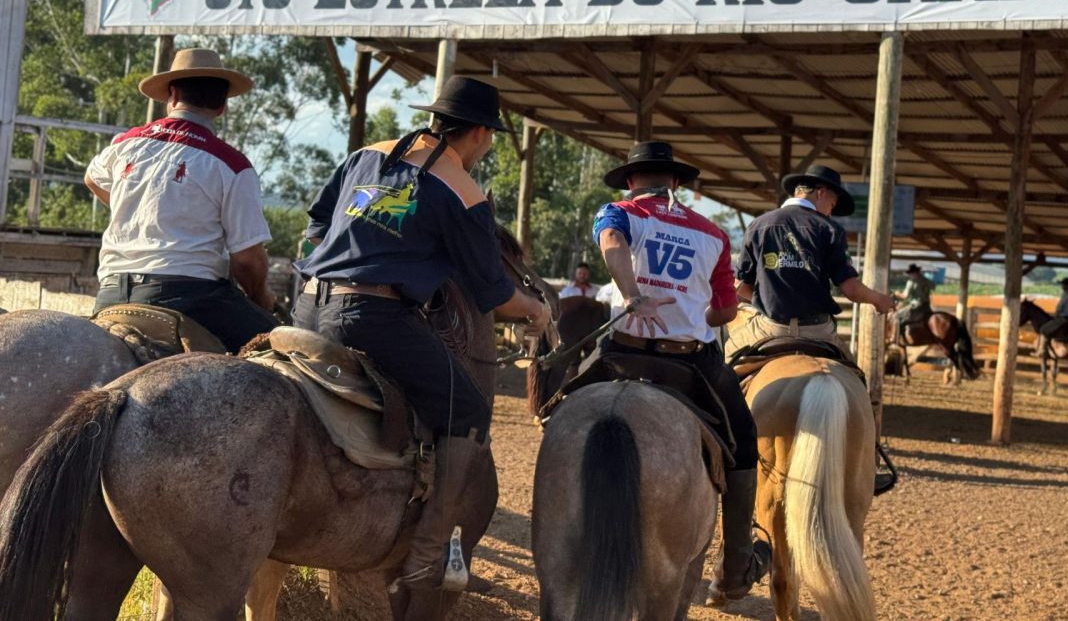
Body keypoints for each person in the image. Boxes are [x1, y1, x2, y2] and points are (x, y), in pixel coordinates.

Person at [297, 76, 550, 592]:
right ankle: (427, 554)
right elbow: (494, 295)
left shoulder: (367, 153)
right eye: (492, 136)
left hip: (306, 307)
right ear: (479, 132)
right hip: (372, 317)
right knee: (470, 409)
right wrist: (536, 311)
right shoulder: (462, 189)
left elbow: (316, 224)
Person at [592, 141, 770, 602]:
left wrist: (632, 295)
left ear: (631, 180)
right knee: (742, 443)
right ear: (676, 183)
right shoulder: (713, 233)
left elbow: (611, 243)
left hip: (622, 351)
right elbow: (727, 312)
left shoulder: (618, 212)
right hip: (689, 362)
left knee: (557, 407)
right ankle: (734, 568)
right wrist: (696, 313)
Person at [84, 48, 276, 352]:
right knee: (284, 353)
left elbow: (92, 179)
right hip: (191, 299)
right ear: (222, 106)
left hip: (111, 292)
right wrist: (261, 299)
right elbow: (248, 261)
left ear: (172, 96)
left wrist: (133, 209)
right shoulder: (232, 165)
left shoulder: (123, 143)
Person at [727, 164, 894, 362]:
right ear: (821, 193)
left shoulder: (758, 225)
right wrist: (878, 299)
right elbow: (851, 289)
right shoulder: (830, 229)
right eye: (831, 206)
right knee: (855, 377)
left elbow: (742, 288)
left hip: (770, 328)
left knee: (726, 360)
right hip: (817, 331)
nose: (830, 213)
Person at [895, 263, 933, 342]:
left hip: (916, 305)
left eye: (910, 274)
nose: (910, 275)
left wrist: (897, 293)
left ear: (913, 273)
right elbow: (933, 286)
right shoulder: (926, 280)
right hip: (926, 305)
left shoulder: (911, 282)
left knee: (897, 316)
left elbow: (905, 296)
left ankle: (897, 338)